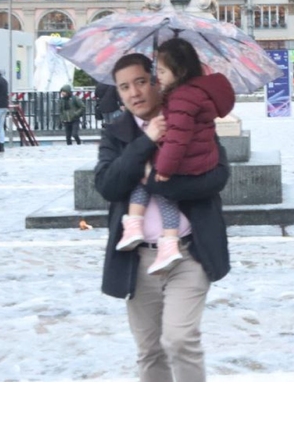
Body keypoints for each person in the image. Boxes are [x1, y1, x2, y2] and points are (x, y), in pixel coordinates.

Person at [95, 52, 230, 382]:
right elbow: (107, 185)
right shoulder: (116, 133)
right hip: (138, 260)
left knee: (180, 339)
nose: (134, 93)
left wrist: (159, 178)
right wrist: (146, 142)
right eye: (124, 87)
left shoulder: (192, 119)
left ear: (158, 81)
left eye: (141, 82)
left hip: (187, 254)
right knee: (150, 350)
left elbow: (217, 177)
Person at [116, 38, 235, 275]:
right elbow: (108, 184)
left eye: (160, 71)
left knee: (154, 185)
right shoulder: (192, 95)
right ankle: (154, 234)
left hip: (185, 164)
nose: (157, 76)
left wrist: (163, 169)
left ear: (178, 72)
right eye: (156, 71)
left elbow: (178, 139)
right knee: (155, 185)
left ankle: (140, 227)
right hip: (198, 160)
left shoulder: (182, 98)